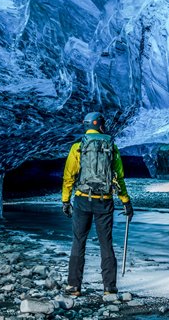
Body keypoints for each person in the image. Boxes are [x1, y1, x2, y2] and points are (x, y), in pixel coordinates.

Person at [61, 112, 133, 297]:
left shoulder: (78, 147)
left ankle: (74, 287)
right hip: (105, 201)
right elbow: (118, 177)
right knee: (105, 244)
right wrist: (126, 202)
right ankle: (109, 288)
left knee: (78, 241)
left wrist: (65, 200)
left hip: (82, 199)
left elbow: (69, 176)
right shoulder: (111, 146)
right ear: (100, 125)